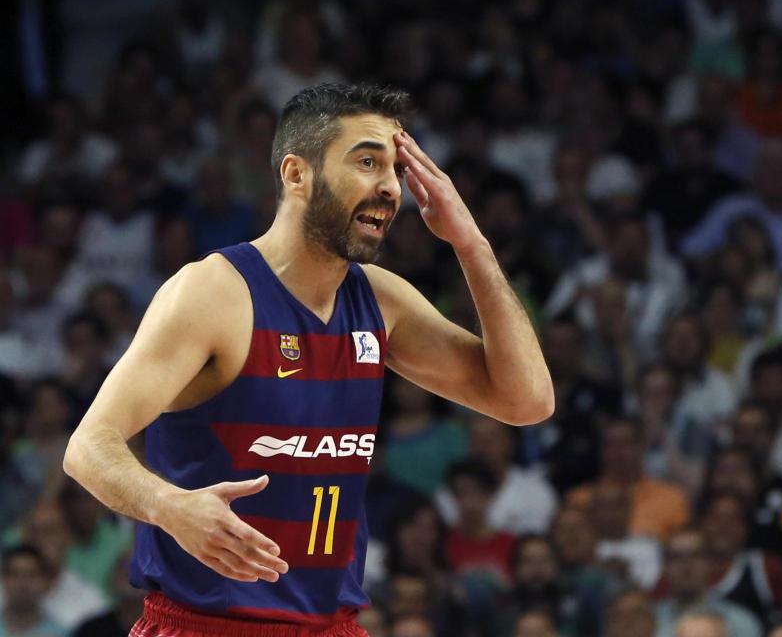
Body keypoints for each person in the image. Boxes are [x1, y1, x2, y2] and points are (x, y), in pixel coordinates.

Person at [62, 83, 553, 635]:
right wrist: (168, 506)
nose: (391, 187)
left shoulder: (381, 300)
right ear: (297, 174)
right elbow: (88, 446)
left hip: (332, 625)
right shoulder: (212, 293)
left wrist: (471, 244)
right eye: (367, 162)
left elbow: (527, 401)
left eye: (396, 170)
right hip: (205, 625)